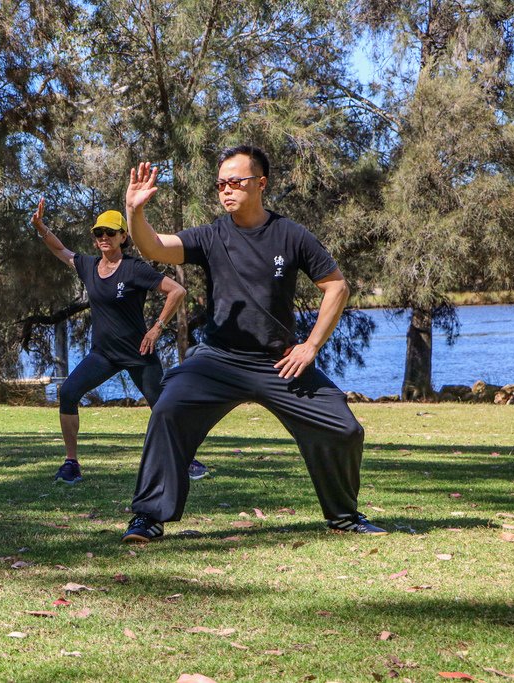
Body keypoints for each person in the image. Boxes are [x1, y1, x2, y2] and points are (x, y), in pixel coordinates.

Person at [120, 145, 386, 542]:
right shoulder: (211, 236)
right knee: (168, 408)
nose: (226, 190)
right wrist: (135, 211)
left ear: (260, 183)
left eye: (235, 182)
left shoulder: (290, 235)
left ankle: (344, 516)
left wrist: (310, 345)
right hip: (218, 359)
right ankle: (148, 516)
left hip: (279, 361)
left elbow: (337, 287)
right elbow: (154, 248)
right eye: (220, 184)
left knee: (343, 429)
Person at [30, 198, 194, 483]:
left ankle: (187, 459)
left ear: (123, 236)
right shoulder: (89, 266)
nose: (104, 237)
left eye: (110, 232)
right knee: (68, 392)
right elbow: (61, 250)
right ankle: (71, 464)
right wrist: (41, 227)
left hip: (138, 352)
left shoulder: (135, 269)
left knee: (163, 405)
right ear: (95, 240)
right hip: (103, 355)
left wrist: (156, 328)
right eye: (99, 233)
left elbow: (177, 291)